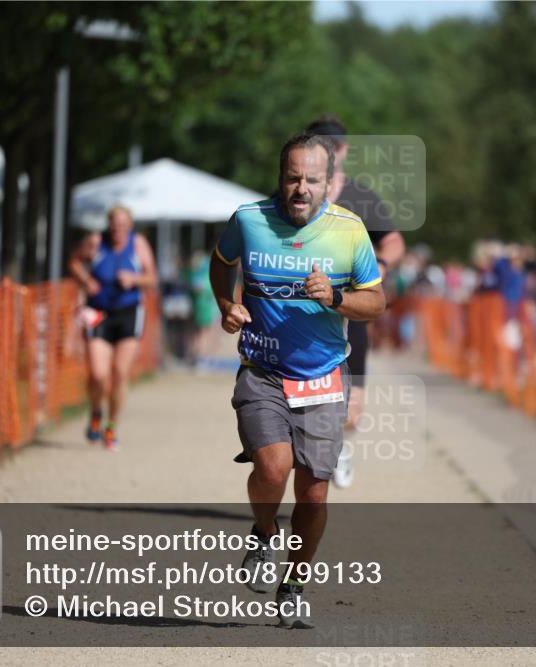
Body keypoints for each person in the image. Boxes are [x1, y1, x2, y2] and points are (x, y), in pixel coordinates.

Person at [210, 133, 385, 628]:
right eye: (292, 178)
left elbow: (375, 303)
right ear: (280, 178)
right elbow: (220, 264)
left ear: (329, 182)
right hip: (262, 371)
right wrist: (227, 305)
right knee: (273, 468)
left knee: (313, 492)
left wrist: (334, 297)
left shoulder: (349, 231)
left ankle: (292, 585)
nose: (301, 188)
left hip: (323, 376)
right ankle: (264, 534)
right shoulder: (249, 220)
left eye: (311, 179)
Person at [307, 114, 406, 489]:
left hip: (351, 315)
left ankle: (339, 446)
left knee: (350, 412)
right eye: (321, 145)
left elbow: (394, 241)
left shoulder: (360, 197)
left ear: (344, 150)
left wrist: (379, 264)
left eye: (335, 146)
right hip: (302, 316)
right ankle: (314, 461)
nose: (330, 152)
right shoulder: (297, 193)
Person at [69, 205, 157, 452]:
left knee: (119, 372)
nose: (118, 229)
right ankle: (96, 411)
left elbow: (152, 278)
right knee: (98, 373)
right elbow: (74, 262)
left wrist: (134, 279)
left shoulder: (138, 244)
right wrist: (86, 281)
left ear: (129, 226)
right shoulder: (96, 242)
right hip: (97, 313)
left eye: (123, 225)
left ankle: (111, 426)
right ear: (108, 225)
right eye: (114, 225)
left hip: (129, 313)